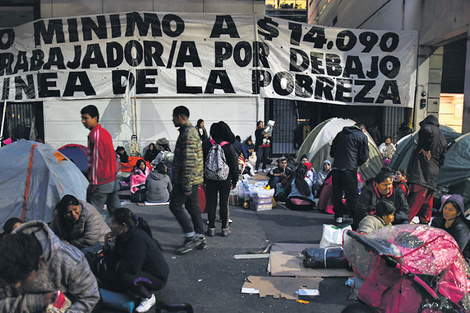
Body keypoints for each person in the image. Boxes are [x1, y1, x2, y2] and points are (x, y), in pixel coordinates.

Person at [0, 221, 99, 312]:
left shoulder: (70, 261)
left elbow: (89, 297)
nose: (16, 285)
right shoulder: (4, 258)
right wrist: (36, 302)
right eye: (10, 280)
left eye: (22, 278)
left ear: (40, 262)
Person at [100, 208, 169, 313]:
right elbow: (112, 264)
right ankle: (134, 290)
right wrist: (106, 246)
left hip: (156, 278)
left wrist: (119, 265)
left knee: (127, 278)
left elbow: (133, 268)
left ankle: (148, 297)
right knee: (106, 276)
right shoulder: (121, 237)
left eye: (113, 223)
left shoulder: (137, 238)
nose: (111, 226)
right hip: (140, 272)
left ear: (123, 225)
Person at [170, 106, 206, 254]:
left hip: (186, 179)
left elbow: (189, 162)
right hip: (192, 179)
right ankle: (200, 236)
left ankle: (190, 236)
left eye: (173, 117)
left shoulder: (188, 134)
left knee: (175, 206)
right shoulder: (189, 132)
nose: (172, 120)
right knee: (192, 207)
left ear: (179, 117)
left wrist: (186, 184)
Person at [81, 105, 120, 218]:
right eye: (82, 118)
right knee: (117, 213)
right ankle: (128, 232)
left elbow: (96, 161)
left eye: (86, 118)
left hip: (102, 182)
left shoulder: (96, 135)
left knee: (92, 215)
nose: (83, 121)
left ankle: (93, 235)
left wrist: (93, 183)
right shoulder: (104, 133)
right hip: (111, 180)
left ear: (95, 118)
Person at [407, 115, 447, 224]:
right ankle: (424, 223)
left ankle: (405, 223)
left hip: (422, 171)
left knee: (415, 201)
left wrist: (425, 147)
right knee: (427, 201)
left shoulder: (427, 128)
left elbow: (426, 130)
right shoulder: (442, 135)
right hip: (433, 173)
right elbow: (443, 157)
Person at [202, 121, 239, 237]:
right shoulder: (228, 146)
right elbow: (233, 164)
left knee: (212, 202)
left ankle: (211, 228)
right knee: (224, 203)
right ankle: (224, 228)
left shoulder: (207, 144)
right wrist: (235, 179)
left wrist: (202, 177)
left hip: (210, 178)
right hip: (224, 178)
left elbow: (202, 161)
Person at [330, 122, 369, 224]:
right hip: (350, 167)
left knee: (337, 193)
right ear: (362, 129)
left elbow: (332, 152)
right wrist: (357, 163)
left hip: (336, 167)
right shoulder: (362, 136)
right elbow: (364, 156)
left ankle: (338, 215)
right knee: (351, 193)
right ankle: (354, 216)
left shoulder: (340, 134)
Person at [431, 194, 470, 259]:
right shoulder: (437, 221)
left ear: (458, 213)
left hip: (459, 259)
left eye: (451, 210)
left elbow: (456, 251)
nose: (446, 211)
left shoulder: (462, 230)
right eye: (445, 208)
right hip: (437, 253)